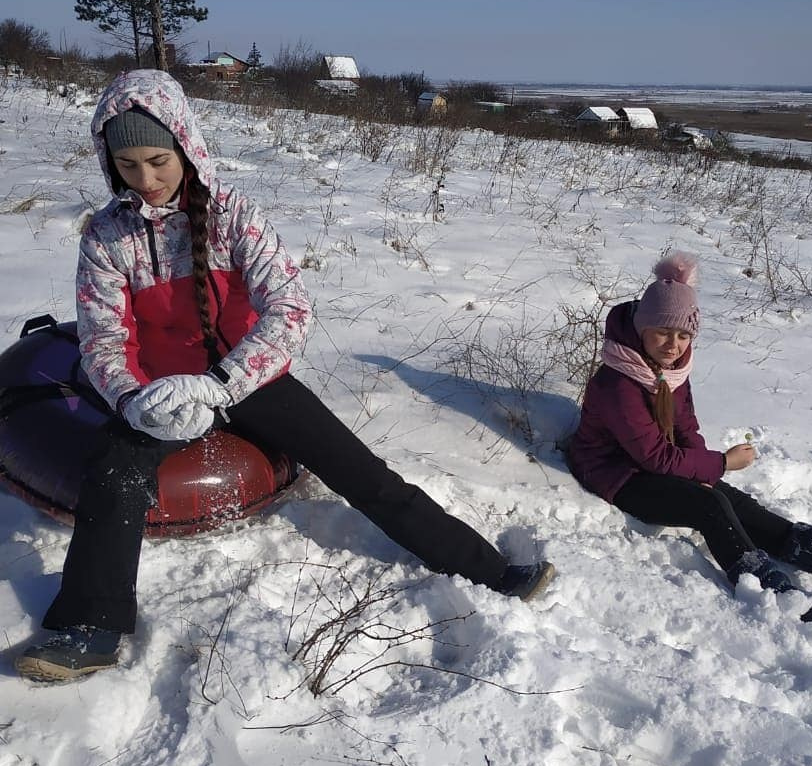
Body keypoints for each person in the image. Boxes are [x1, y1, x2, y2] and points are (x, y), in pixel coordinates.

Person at [15, 70, 554, 682]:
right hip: (161, 394)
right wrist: (134, 399)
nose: (147, 179)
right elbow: (103, 337)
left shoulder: (232, 216)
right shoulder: (107, 236)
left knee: (362, 472)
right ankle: (90, 626)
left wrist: (223, 382)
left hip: (247, 379)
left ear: (186, 146)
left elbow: (290, 308)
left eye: (159, 161)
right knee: (113, 472)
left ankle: (487, 569)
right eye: (128, 165)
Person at [567, 250, 812, 621]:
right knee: (710, 507)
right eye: (663, 332)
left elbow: (685, 429)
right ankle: (775, 593)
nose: (673, 344)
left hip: (650, 465)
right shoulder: (618, 383)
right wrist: (721, 463)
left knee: (740, 506)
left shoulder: (671, 370)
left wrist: (704, 472)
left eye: (683, 335)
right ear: (641, 328)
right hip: (616, 474)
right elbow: (655, 457)